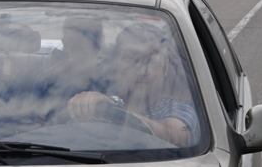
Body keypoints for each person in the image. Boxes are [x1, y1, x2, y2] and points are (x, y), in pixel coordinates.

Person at [66, 23, 199, 147]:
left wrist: (112, 109)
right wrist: (80, 106)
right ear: (115, 65)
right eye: (130, 59)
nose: (142, 71)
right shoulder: (95, 104)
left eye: (150, 60)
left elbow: (178, 138)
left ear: (165, 68)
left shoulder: (175, 109)